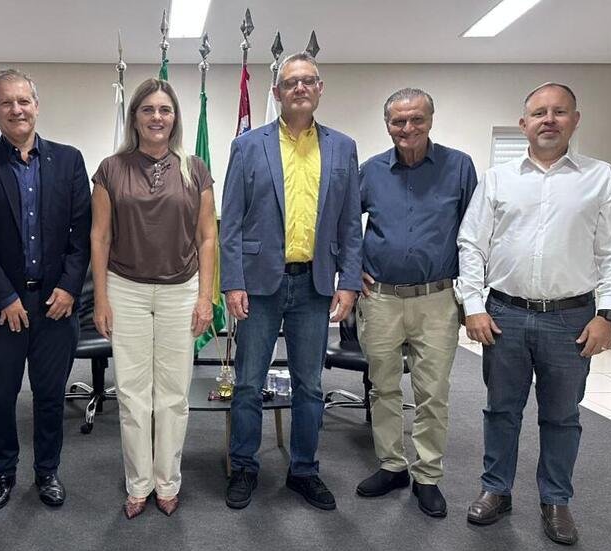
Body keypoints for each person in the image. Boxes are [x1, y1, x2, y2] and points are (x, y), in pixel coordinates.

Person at [457, 82, 611, 545]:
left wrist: (608, 315)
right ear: (524, 124)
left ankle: (556, 499)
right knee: (501, 410)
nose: (548, 120)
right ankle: (496, 490)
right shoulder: (498, 178)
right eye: (539, 113)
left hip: (572, 319)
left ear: (575, 119)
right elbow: (471, 244)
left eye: (559, 112)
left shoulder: (601, 177)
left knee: (561, 416)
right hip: (505, 315)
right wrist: (473, 306)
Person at [220, 52, 362, 511]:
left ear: (320, 89)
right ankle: (243, 466)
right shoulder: (248, 146)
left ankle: (304, 470)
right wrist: (232, 281)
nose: (300, 88)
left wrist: (350, 282)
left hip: (315, 284)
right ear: (277, 93)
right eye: (290, 82)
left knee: (309, 385)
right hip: (260, 283)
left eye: (308, 81)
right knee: (248, 382)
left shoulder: (342, 147)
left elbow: (349, 225)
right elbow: (232, 223)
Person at [0, 69, 91, 512]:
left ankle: (47, 472)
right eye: (7, 103)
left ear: (37, 105)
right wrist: (6, 296)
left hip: (56, 304)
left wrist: (71, 288)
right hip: (1, 307)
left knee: (50, 395)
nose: (17, 110)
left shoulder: (69, 160)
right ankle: (4, 472)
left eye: (24, 101)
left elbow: (81, 232)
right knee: (0, 396)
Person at [90, 79, 217, 519]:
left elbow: (207, 237)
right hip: (125, 288)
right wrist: (101, 299)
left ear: (175, 117)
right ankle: (138, 483)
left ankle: (168, 481)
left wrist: (206, 298)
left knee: (173, 395)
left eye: (165, 110)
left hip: (182, 290)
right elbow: (100, 236)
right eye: (148, 110)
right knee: (132, 393)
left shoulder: (195, 169)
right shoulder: (110, 168)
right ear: (135, 117)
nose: (157, 117)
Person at [355, 88, 477, 517]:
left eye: (416, 120)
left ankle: (428, 476)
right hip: (381, 299)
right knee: (382, 387)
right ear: (387, 124)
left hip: (437, 299)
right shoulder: (370, 171)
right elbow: (344, 225)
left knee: (432, 393)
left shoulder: (458, 167)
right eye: (398, 121)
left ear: (430, 120)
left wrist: (473, 298)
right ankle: (392, 465)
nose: (407, 129)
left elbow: (475, 234)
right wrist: (351, 270)